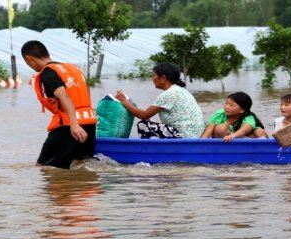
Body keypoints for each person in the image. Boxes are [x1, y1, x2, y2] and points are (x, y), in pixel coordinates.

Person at [21, 40, 97, 169]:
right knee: (80, 165)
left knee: (44, 167)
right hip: (89, 122)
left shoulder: (49, 72)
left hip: (69, 125)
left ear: (29, 59)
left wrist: (74, 124)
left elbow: (63, 95)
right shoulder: (73, 69)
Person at [114, 62, 205, 139]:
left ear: (163, 78)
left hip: (185, 136)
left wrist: (124, 101)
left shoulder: (169, 94)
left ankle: (151, 153)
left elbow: (143, 115)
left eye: (154, 75)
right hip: (195, 135)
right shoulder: (181, 90)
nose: (152, 79)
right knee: (150, 121)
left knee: (144, 125)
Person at [201, 92, 268, 142]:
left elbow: (245, 129)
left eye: (231, 105)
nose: (226, 107)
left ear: (242, 110)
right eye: (226, 103)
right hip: (223, 140)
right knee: (221, 128)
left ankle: (262, 152)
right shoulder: (220, 114)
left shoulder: (248, 116)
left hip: (239, 138)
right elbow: (209, 129)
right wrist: (201, 143)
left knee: (260, 131)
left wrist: (232, 136)